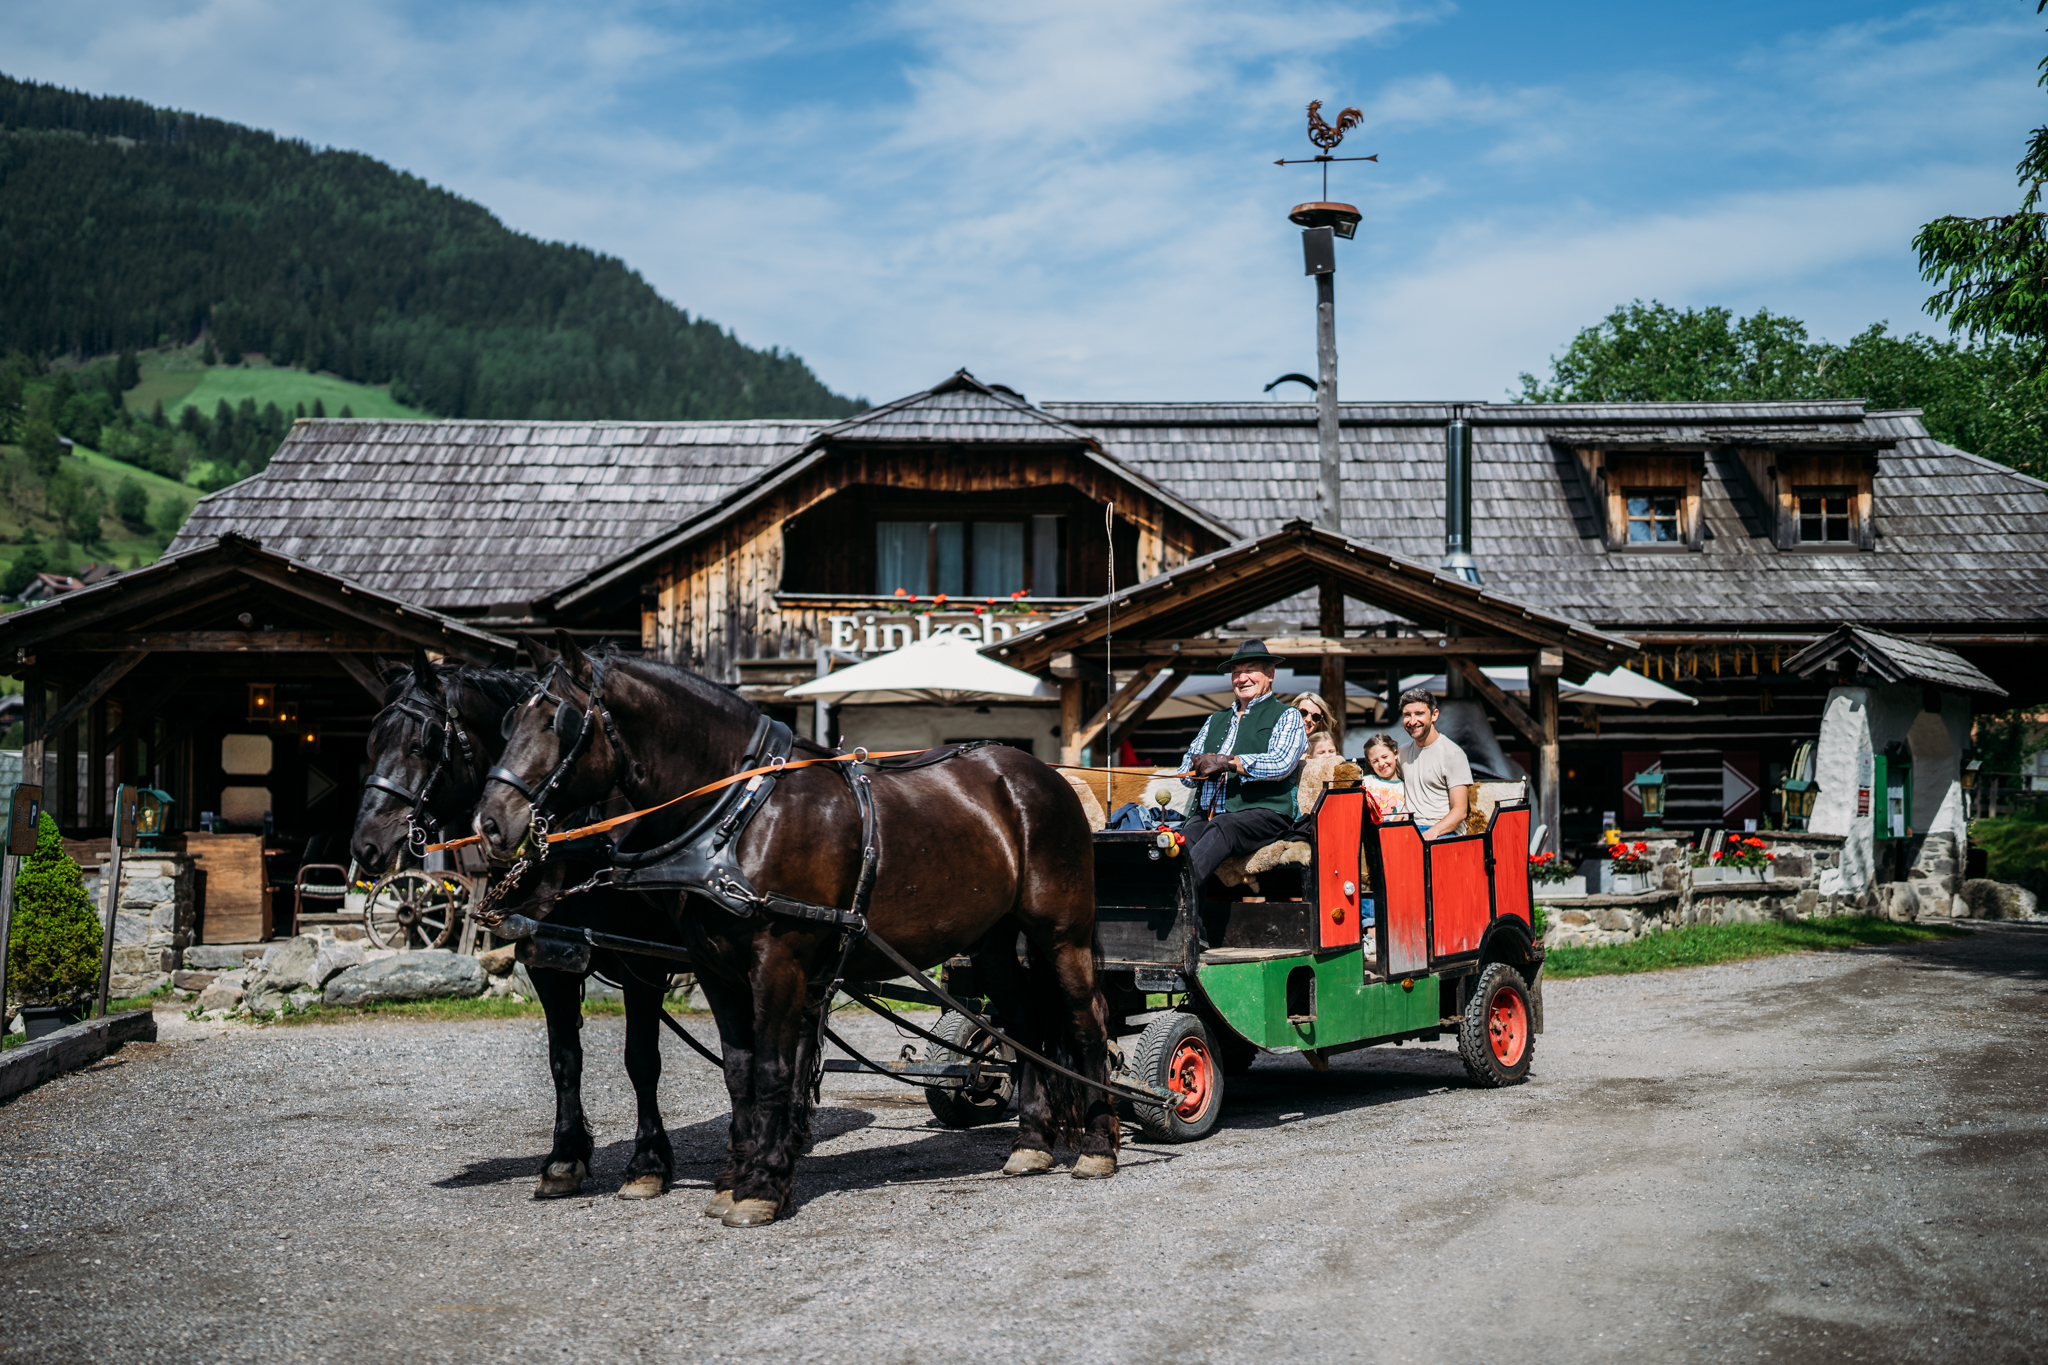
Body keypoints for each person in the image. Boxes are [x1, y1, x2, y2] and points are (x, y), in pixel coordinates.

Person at [1178, 639, 1308, 888]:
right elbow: (1184, 771)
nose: (1242, 678)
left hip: (1264, 814)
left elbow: (1281, 763)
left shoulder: (1287, 715)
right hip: (1208, 817)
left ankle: (1178, 896)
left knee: (1222, 827)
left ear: (1270, 674)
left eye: (1250, 670)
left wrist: (1228, 763)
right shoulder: (1215, 719)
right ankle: (1189, 923)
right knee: (1178, 841)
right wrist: (1197, 767)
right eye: (1236, 673)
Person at [1396, 688, 1471, 839]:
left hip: (1445, 831)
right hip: (1411, 828)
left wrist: (1431, 833)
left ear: (1434, 715)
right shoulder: (1402, 753)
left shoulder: (1452, 754)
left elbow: (1460, 811)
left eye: (1419, 714)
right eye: (1407, 715)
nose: (1412, 721)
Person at [1360, 732, 1406, 815]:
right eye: (1375, 761)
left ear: (1395, 754)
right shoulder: (1365, 782)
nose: (1381, 763)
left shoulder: (1405, 787)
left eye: (1385, 757)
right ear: (1370, 764)